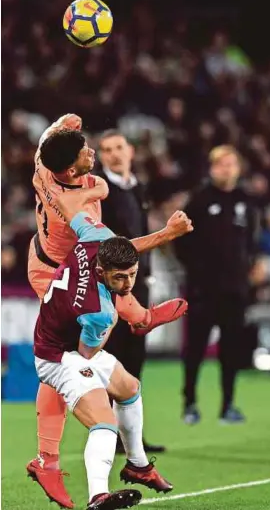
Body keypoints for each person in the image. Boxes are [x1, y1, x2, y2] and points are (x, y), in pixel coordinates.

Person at [26, 116, 192, 508]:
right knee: (88, 345)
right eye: (84, 149)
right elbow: (121, 253)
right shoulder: (79, 210)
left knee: (128, 383)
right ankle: (49, 459)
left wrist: (63, 127)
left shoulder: (45, 164)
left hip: (53, 256)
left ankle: (134, 463)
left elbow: (49, 140)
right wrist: (167, 234)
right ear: (69, 169)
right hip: (56, 275)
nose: (93, 151)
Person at [96, 129, 173, 453]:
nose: (114, 154)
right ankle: (107, 433)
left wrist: (149, 276)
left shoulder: (136, 187)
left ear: (130, 151)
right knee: (111, 360)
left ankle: (131, 436)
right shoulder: (100, 191)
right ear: (101, 156)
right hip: (112, 289)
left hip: (139, 285)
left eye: (118, 147)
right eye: (107, 149)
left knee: (135, 359)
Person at [174, 145, 257, 424]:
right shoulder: (199, 200)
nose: (226, 169)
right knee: (195, 348)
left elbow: (251, 242)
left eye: (231, 164)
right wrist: (196, 272)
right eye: (221, 164)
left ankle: (228, 405)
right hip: (203, 290)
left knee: (231, 349)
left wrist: (248, 271)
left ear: (238, 168)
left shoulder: (245, 201)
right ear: (212, 168)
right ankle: (189, 403)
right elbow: (180, 240)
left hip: (234, 290)